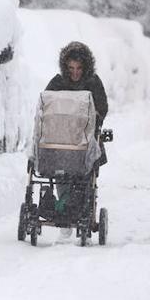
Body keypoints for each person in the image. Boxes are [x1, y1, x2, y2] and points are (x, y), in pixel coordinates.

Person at [43, 41, 109, 231]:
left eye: (79, 68)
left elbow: (102, 108)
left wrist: (95, 119)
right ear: (65, 67)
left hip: (86, 140)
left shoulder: (93, 83)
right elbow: (46, 105)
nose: (75, 72)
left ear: (86, 67)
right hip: (61, 139)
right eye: (71, 68)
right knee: (61, 174)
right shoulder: (57, 82)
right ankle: (63, 207)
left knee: (84, 177)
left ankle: (81, 208)